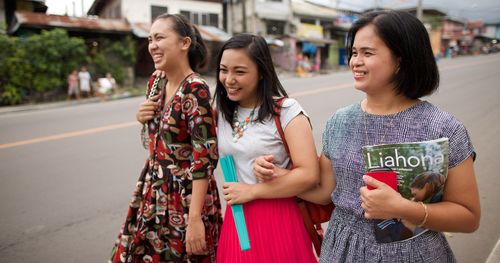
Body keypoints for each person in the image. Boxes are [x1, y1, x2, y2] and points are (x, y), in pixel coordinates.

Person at [254, 10, 480, 262]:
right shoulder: (340, 121)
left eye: (367, 53)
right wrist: (277, 175)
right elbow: (323, 191)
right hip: (343, 250)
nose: (355, 61)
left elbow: (468, 217)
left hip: (415, 254)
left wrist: (404, 209)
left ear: (400, 60)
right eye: (354, 52)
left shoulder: (444, 128)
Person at [109, 14, 222, 263]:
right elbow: (155, 143)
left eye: (159, 38)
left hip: (187, 198)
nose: (152, 46)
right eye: (150, 39)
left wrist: (195, 220)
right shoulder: (156, 81)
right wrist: (142, 118)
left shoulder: (196, 89)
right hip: (153, 190)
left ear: (184, 43)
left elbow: (205, 159)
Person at [214, 33, 319, 262]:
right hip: (238, 219)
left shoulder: (287, 111)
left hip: (279, 217)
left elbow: (309, 175)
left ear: (261, 72)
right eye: (224, 70)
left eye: (239, 71)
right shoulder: (221, 114)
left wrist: (252, 191)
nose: (229, 79)